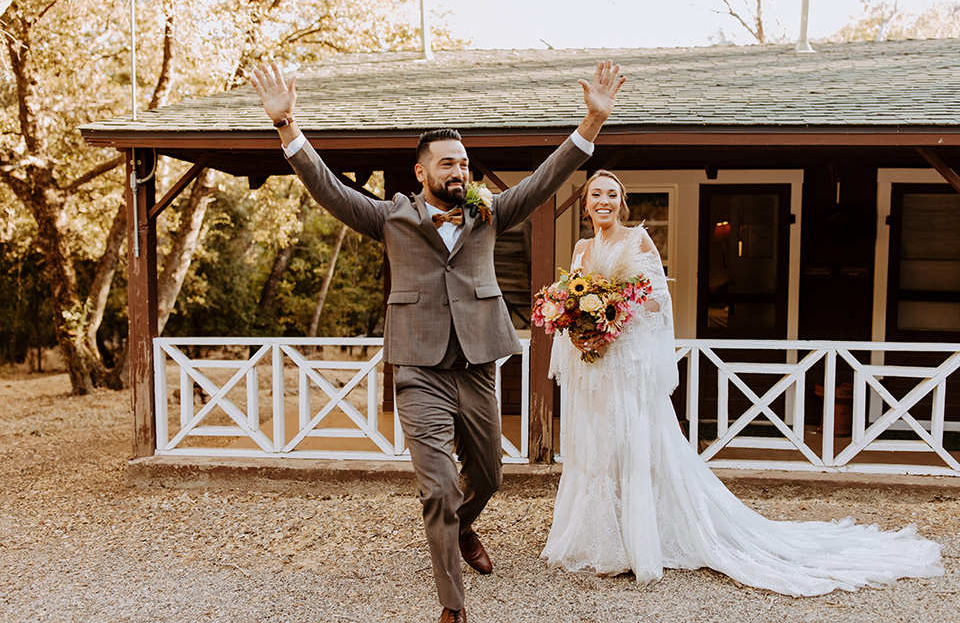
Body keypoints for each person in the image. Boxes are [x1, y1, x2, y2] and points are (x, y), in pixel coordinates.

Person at [251, 61, 625, 623]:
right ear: (421, 172)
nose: (459, 170)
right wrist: (287, 129)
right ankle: (452, 606)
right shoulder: (389, 218)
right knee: (438, 488)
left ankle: (464, 524)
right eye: (448, 163)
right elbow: (327, 189)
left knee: (491, 475)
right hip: (418, 366)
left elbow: (545, 178)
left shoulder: (489, 213)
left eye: (465, 163)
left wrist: (591, 123)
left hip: (475, 363)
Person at [541, 169, 943, 596]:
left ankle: (639, 542)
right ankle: (597, 539)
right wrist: (580, 325)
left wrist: (616, 309)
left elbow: (659, 300)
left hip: (627, 368)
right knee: (599, 448)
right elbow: (574, 302)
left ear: (622, 202)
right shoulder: (582, 248)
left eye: (611, 194)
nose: (603, 200)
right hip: (596, 367)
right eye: (595, 194)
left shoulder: (638, 240)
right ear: (585, 204)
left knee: (633, 446)